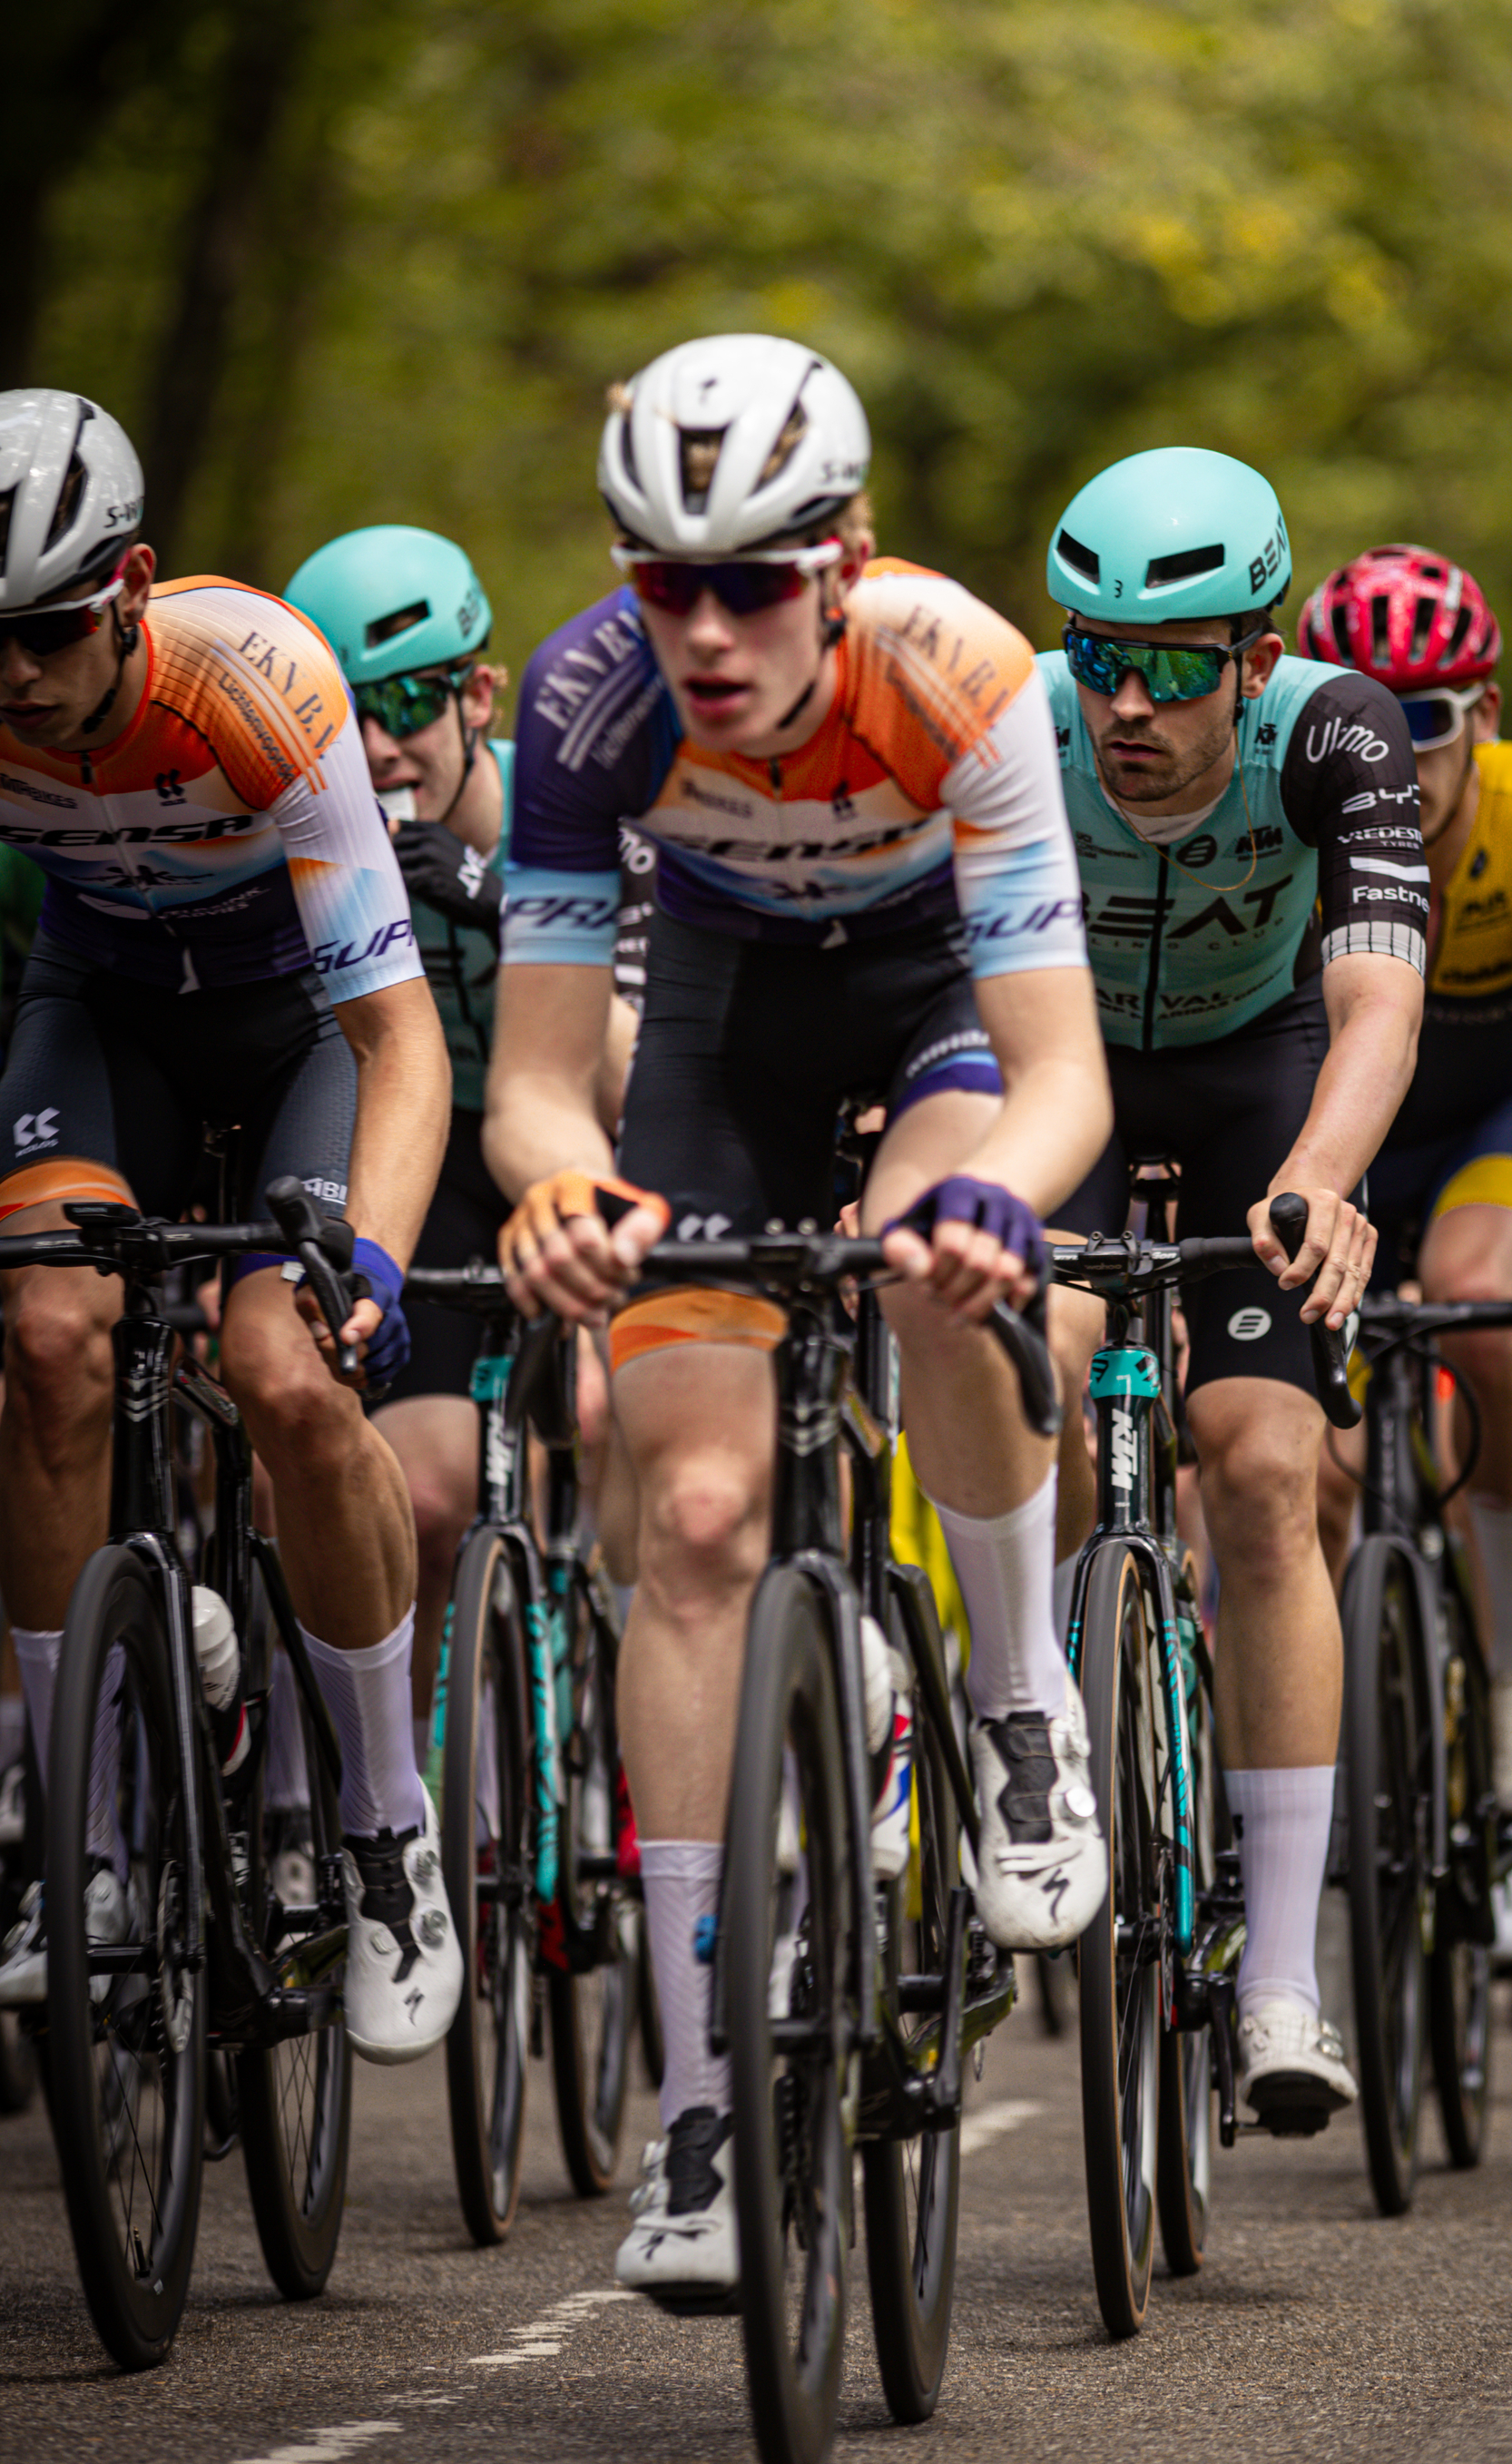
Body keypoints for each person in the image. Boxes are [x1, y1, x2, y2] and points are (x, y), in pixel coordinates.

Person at [484, 333, 1114, 2302]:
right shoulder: (590, 705)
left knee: (937, 1262)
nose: (704, 627)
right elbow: (530, 1076)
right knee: (681, 1520)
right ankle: (697, 2123)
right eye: (661, 577)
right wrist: (560, 1189)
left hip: (939, 1012)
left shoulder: (964, 671)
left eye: (750, 578)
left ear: (842, 558)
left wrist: (1000, 1190)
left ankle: (1016, 1699)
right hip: (727, 1041)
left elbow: (1062, 1068)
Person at [0, 388, 460, 2062]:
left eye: (45, 633)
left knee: (283, 1368)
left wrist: (377, 1266)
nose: (15, 678)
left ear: (129, 588)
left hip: (294, 1031)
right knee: (50, 1335)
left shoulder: (256, 684)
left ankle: (390, 1831)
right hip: (100, 1011)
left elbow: (398, 1035)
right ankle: (82, 1846)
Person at [1038, 447, 1429, 2126]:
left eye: (1178, 663)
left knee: (1266, 1470)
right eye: (1098, 652)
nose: (1128, 698)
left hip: (1258, 1071)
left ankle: (1280, 1971)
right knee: (1030, 1341)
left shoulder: (1339, 731)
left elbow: (1375, 1004)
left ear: (1256, 659)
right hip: (1060, 1065)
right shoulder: (1020, 716)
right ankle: (1039, 1713)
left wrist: (1317, 1184)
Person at [1300, 545, 1512, 1970]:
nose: (1391, 744)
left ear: (1482, 716)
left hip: (1489, 1102)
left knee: (1487, 1311)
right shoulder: (1288, 801)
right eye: (1361, 706)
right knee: (1285, 1424)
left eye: (1422, 718)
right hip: (1342, 1098)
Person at [284, 525, 516, 1731]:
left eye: (412, 700)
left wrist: (490, 893)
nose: (378, 747)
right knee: (427, 1502)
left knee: (624, 1433)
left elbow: (648, 1046)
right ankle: (429, 1791)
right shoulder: (313, 840)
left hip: (576, 1151)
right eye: (344, 715)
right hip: (432, 1175)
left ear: (480, 693)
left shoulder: (571, 810)